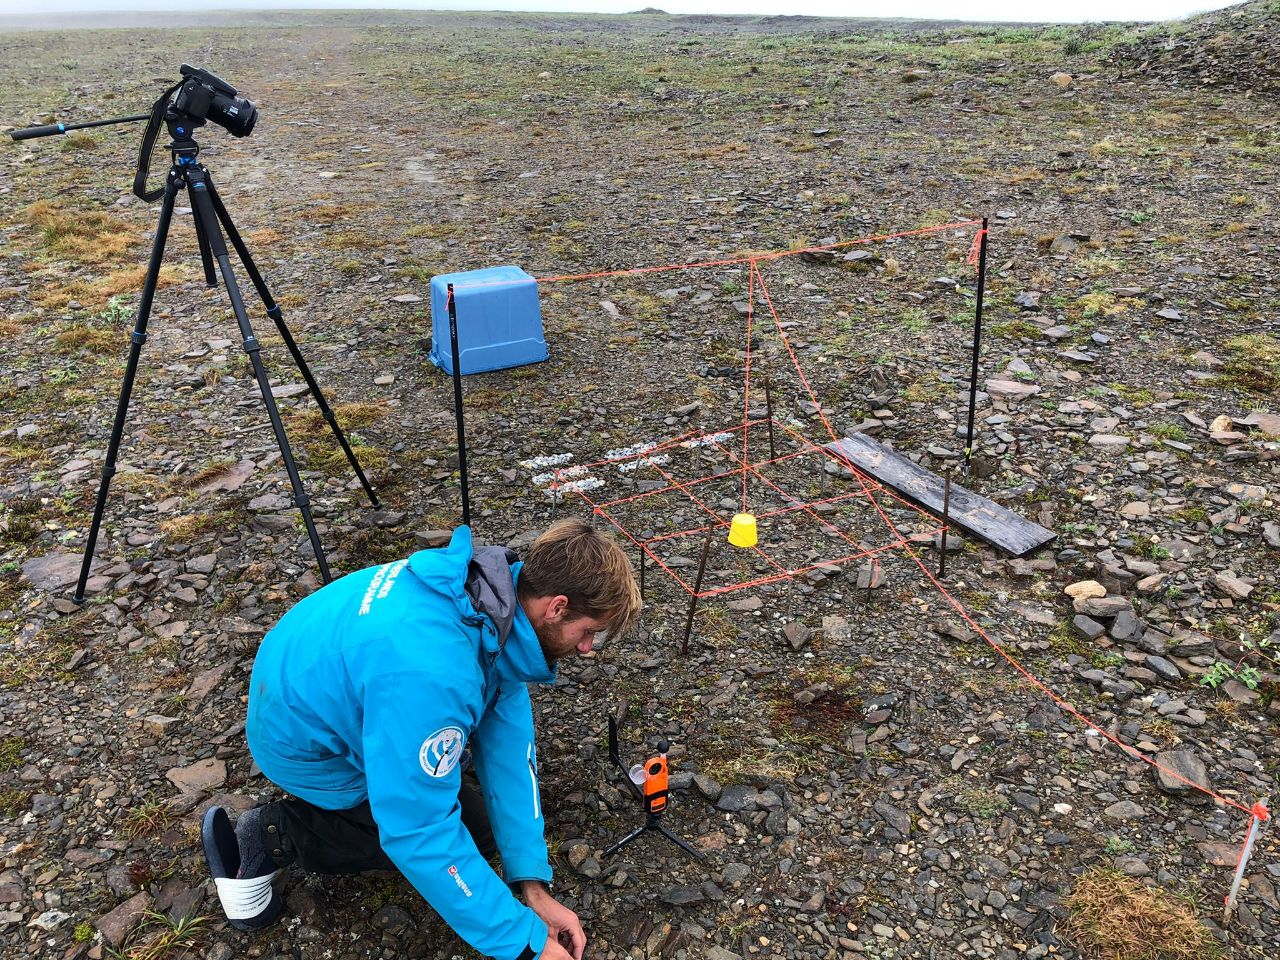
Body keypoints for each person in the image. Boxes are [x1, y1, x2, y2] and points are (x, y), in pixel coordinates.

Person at [200, 520, 641, 960]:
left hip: (318, 679)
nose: (587, 648)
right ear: (557, 607)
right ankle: (274, 834)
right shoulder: (435, 672)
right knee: (452, 828)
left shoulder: (491, 602)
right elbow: (418, 829)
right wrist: (525, 944)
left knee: (470, 812)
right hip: (302, 744)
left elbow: (509, 748)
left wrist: (531, 885)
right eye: (589, 631)